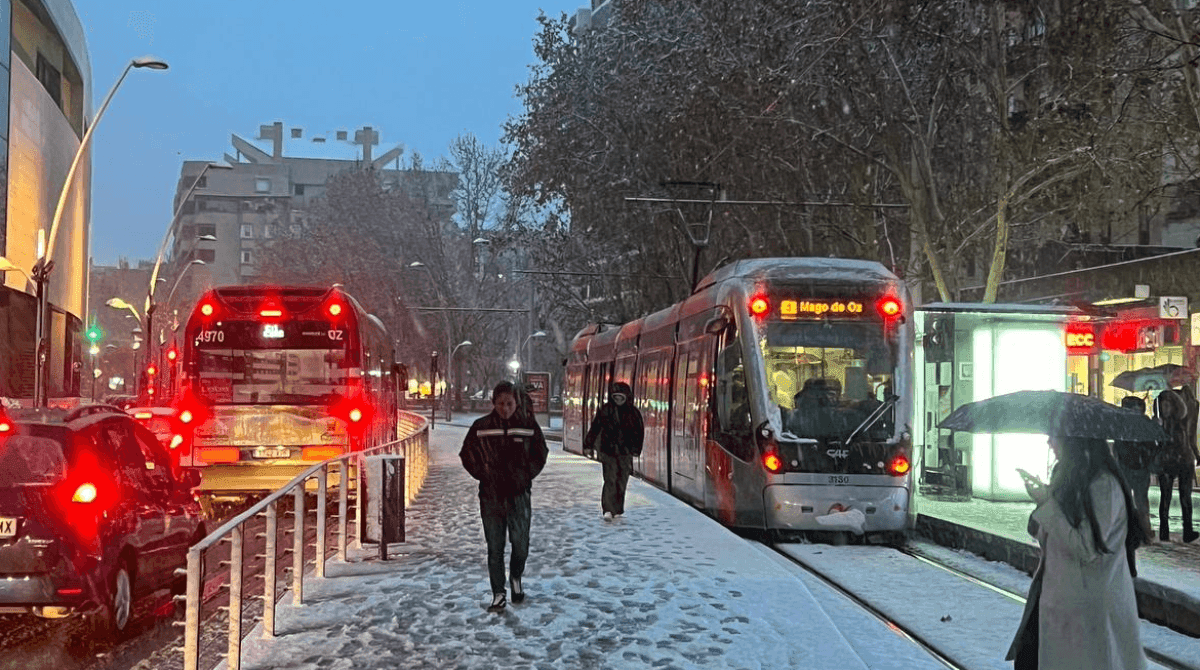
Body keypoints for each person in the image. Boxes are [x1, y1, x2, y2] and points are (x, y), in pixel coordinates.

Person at [1006, 436, 1151, 670]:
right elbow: (1052, 534)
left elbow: (1086, 548)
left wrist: (1047, 504)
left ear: (1074, 441)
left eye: (1055, 435)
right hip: (1061, 600)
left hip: (1087, 610)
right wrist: (1043, 502)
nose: (1049, 442)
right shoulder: (1071, 479)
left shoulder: (1104, 486)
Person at [459, 381, 549, 613]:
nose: (505, 408)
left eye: (509, 403)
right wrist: (483, 474)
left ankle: (516, 577)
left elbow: (541, 453)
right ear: (493, 404)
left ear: (516, 403)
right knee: (495, 546)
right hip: (491, 496)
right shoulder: (481, 427)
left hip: (519, 495)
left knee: (520, 545)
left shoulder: (528, 426)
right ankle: (498, 592)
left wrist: (526, 475)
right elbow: (467, 454)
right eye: (500, 404)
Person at [582, 381, 644, 521]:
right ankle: (608, 509)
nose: (618, 400)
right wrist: (588, 444)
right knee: (610, 479)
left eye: (620, 397)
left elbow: (639, 433)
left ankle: (617, 508)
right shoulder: (606, 410)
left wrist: (636, 449)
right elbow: (595, 427)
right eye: (615, 397)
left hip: (625, 452)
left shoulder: (633, 413)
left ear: (626, 397)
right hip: (608, 451)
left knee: (621, 480)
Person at [1153, 387, 1198, 543]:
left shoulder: (1181, 422)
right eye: (1162, 406)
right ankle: (1165, 532)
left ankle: (1186, 531)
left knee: (1184, 498)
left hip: (1181, 461)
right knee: (1166, 498)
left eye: (1167, 405)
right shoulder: (1161, 422)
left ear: (1174, 406)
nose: (1164, 409)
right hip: (1171, 462)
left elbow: (1189, 439)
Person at [1114, 395, 1154, 535]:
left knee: (1139, 500)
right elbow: (1118, 448)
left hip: (1139, 467)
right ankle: (1138, 529)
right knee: (1131, 500)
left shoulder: (1140, 424)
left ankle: (1142, 529)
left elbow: (1152, 445)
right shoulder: (1123, 425)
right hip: (1130, 466)